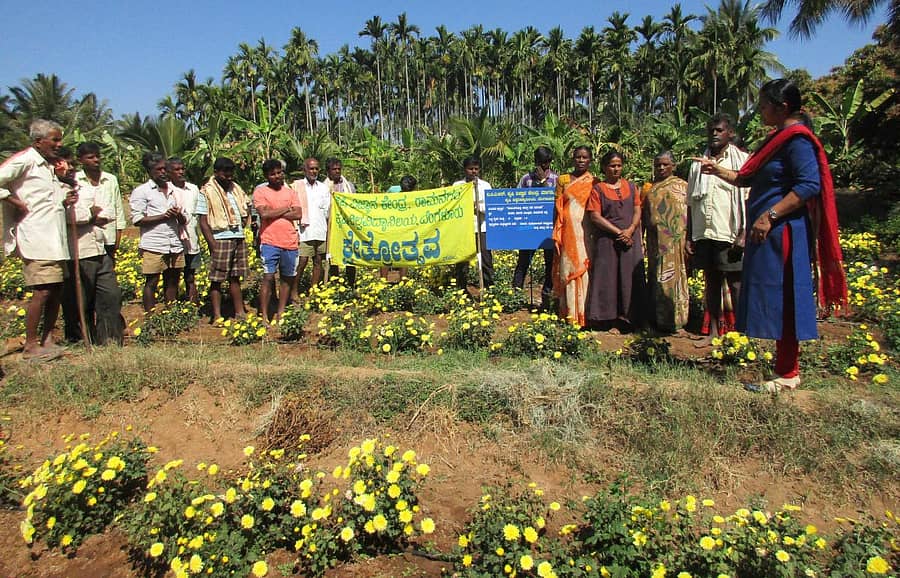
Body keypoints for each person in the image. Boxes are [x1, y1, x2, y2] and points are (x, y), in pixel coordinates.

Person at [694, 78, 847, 393]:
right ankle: (784, 368)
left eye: (764, 105)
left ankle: (788, 371)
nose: (760, 110)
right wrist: (715, 170)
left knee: (786, 295)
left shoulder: (798, 141)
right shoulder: (775, 140)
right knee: (775, 296)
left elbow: (808, 185)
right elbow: (745, 177)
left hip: (784, 232)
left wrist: (770, 215)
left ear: (783, 107)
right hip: (769, 235)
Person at [0, 119, 77, 361]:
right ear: (38, 141)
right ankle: (31, 344)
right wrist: (15, 202)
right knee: (42, 291)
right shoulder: (25, 160)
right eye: (54, 139)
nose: (59, 144)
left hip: (55, 240)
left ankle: (47, 338)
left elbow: (48, 200)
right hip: (36, 237)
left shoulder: (48, 166)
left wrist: (66, 199)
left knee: (56, 289)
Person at [687, 113, 750, 345]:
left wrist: (743, 233)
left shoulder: (741, 161)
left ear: (730, 133)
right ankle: (713, 331)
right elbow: (692, 202)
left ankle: (742, 333)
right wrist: (689, 235)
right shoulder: (697, 164)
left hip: (730, 231)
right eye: (711, 130)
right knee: (711, 282)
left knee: (735, 282)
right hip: (705, 231)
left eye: (719, 130)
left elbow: (747, 199)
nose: (714, 134)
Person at [60, 146, 123, 345]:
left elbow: (108, 212)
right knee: (80, 300)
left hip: (100, 245)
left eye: (71, 164)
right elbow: (69, 217)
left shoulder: (86, 188)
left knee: (110, 295)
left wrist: (91, 216)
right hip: (78, 250)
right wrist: (90, 216)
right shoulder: (59, 189)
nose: (69, 168)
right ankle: (80, 339)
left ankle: (109, 340)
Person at [585, 150, 645, 332]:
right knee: (608, 279)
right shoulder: (598, 189)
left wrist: (630, 230)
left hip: (630, 240)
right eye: (612, 165)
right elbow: (595, 216)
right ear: (604, 167)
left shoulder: (632, 187)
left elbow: (637, 210)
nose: (616, 169)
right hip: (608, 241)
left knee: (630, 278)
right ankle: (607, 319)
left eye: (619, 165)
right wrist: (618, 232)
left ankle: (631, 319)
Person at [131, 152, 187, 312]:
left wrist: (178, 215)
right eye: (159, 169)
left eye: (164, 169)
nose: (163, 172)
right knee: (152, 281)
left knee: (173, 279)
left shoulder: (173, 190)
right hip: (154, 244)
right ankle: (151, 314)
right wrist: (163, 216)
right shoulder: (142, 191)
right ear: (150, 171)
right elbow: (137, 219)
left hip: (174, 242)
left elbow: (184, 220)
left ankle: (171, 311)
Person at [197, 157, 251, 322]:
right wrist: (212, 244)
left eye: (230, 173)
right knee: (217, 279)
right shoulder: (206, 191)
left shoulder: (236, 189)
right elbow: (203, 221)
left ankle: (239, 312)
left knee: (235, 277)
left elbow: (246, 206)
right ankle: (217, 315)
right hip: (220, 238)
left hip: (238, 236)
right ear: (216, 173)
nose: (228, 176)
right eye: (225, 173)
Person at [642, 151, 690, 334]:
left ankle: (677, 322)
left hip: (677, 243)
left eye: (665, 164)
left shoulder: (683, 187)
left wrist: (689, 241)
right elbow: (646, 217)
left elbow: (690, 214)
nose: (661, 168)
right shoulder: (650, 189)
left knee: (676, 280)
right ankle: (658, 320)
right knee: (656, 279)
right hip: (657, 243)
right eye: (658, 165)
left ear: (673, 166)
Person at [253, 159, 302, 324]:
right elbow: (264, 214)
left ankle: (281, 311)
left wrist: (274, 211)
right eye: (273, 174)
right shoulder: (260, 192)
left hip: (289, 241)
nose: (277, 176)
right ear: (266, 176)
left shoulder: (291, 192)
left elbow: (298, 214)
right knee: (268, 277)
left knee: (287, 278)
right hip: (269, 241)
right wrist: (286, 209)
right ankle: (264, 315)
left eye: (279, 172)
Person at [551, 146, 594, 327]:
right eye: (578, 157)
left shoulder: (594, 181)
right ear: (573, 159)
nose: (581, 160)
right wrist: (556, 232)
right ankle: (568, 313)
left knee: (583, 271)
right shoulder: (563, 180)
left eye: (584, 157)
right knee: (567, 270)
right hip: (567, 232)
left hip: (584, 233)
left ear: (590, 160)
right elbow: (558, 206)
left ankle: (582, 314)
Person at [513, 146, 559, 310]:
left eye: (547, 162)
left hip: (549, 229)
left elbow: (558, 200)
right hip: (529, 229)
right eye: (541, 162)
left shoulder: (556, 179)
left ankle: (547, 298)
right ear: (536, 161)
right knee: (523, 263)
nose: (544, 166)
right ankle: (516, 297)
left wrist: (543, 183)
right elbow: (517, 199)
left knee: (550, 263)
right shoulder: (526, 179)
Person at [75, 142, 126, 263]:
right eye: (91, 157)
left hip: (108, 239)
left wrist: (117, 241)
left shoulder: (110, 179)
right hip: (84, 243)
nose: (96, 160)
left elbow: (118, 210)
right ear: (80, 160)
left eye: (98, 156)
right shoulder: (75, 180)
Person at [453, 156, 493, 290]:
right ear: (465, 170)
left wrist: (478, 208)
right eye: (471, 169)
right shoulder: (458, 186)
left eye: (476, 169)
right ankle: (461, 289)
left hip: (481, 228)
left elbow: (490, 207)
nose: (474, 171)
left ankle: (488, 288)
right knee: (462, 260)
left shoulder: (485, 186)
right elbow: (454, 205)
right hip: (464, 229)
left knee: (486, 259)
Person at [167, 157, 202, 304]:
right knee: (172, 277)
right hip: (173, 240)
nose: (181, 172)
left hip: (192, 238)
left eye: (182, 168)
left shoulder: (193, 189)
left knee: (190, 275)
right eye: (176, 169)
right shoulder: (166, 190)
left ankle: (192, 307)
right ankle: (171, 308)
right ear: (169, 172)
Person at [292, 157, 330, 291]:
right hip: (304, 232)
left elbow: (327, 211)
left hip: (320, 230)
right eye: (311, 168)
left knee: (318, 261)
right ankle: (294, 291)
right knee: (301, 262)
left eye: (316, 169)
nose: (314, 171)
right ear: (304, 170)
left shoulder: (323, 188)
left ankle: (314, 290)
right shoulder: (297, 186)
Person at [323, 157, 358, 286]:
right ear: (328, 171)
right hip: (331, 226)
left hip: (347, 226)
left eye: (339, 169)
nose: (337, 171)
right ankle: (335, 282)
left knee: (350, 254)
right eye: (334, 169)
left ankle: (351, 283)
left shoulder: (349, 186)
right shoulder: (323, 187)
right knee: (332, 255)